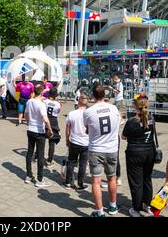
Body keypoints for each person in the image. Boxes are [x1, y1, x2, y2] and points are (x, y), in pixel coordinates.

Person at [84, 85, 121, 217]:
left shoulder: (88, 111)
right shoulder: (114, 107)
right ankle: (112, 206)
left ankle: (99, 211)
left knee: (96, 181)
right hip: (111, 148)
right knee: (112, 178)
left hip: (96, 149)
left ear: (93, 96)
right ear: (104, 95)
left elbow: (87, 129)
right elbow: (118, 123)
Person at [122, 95, 156, 217]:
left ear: (135, 107)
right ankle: (147, 205)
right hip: (149, 152)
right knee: (147, 179)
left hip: (135, 154)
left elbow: (124, 136)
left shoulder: (132, 121)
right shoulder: (151, 118)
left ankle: (136, 209)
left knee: (136, 182)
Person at [24, 84, 54, 188]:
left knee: (29, 152)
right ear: (41, 92)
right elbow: (45, 119)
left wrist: (28, 123)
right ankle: (39, 179)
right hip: (39, 132)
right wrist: (50, 129)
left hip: (30, 130)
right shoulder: (41, 104)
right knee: (40, 155)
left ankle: (28, 175)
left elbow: (26, 114)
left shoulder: (29, 101)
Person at [64, 93, 89, 190]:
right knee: (83, 164)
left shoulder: (71, 113)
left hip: (74, 141)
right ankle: (80, 183)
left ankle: (68, 182)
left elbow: (67, 128)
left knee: (71, 162)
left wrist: (67, 139)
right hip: (86, 142)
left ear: (78, 101)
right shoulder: (89, 114)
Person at [42, 88, 62, 168]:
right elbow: (58, 112)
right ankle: (49, 160)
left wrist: (45, 91)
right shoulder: (58, 104)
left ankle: (37, 156)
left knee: (41, 140)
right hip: (53, 121)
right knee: (52, 142)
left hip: (45, 120)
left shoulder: (44, 101)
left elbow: (40, 97)